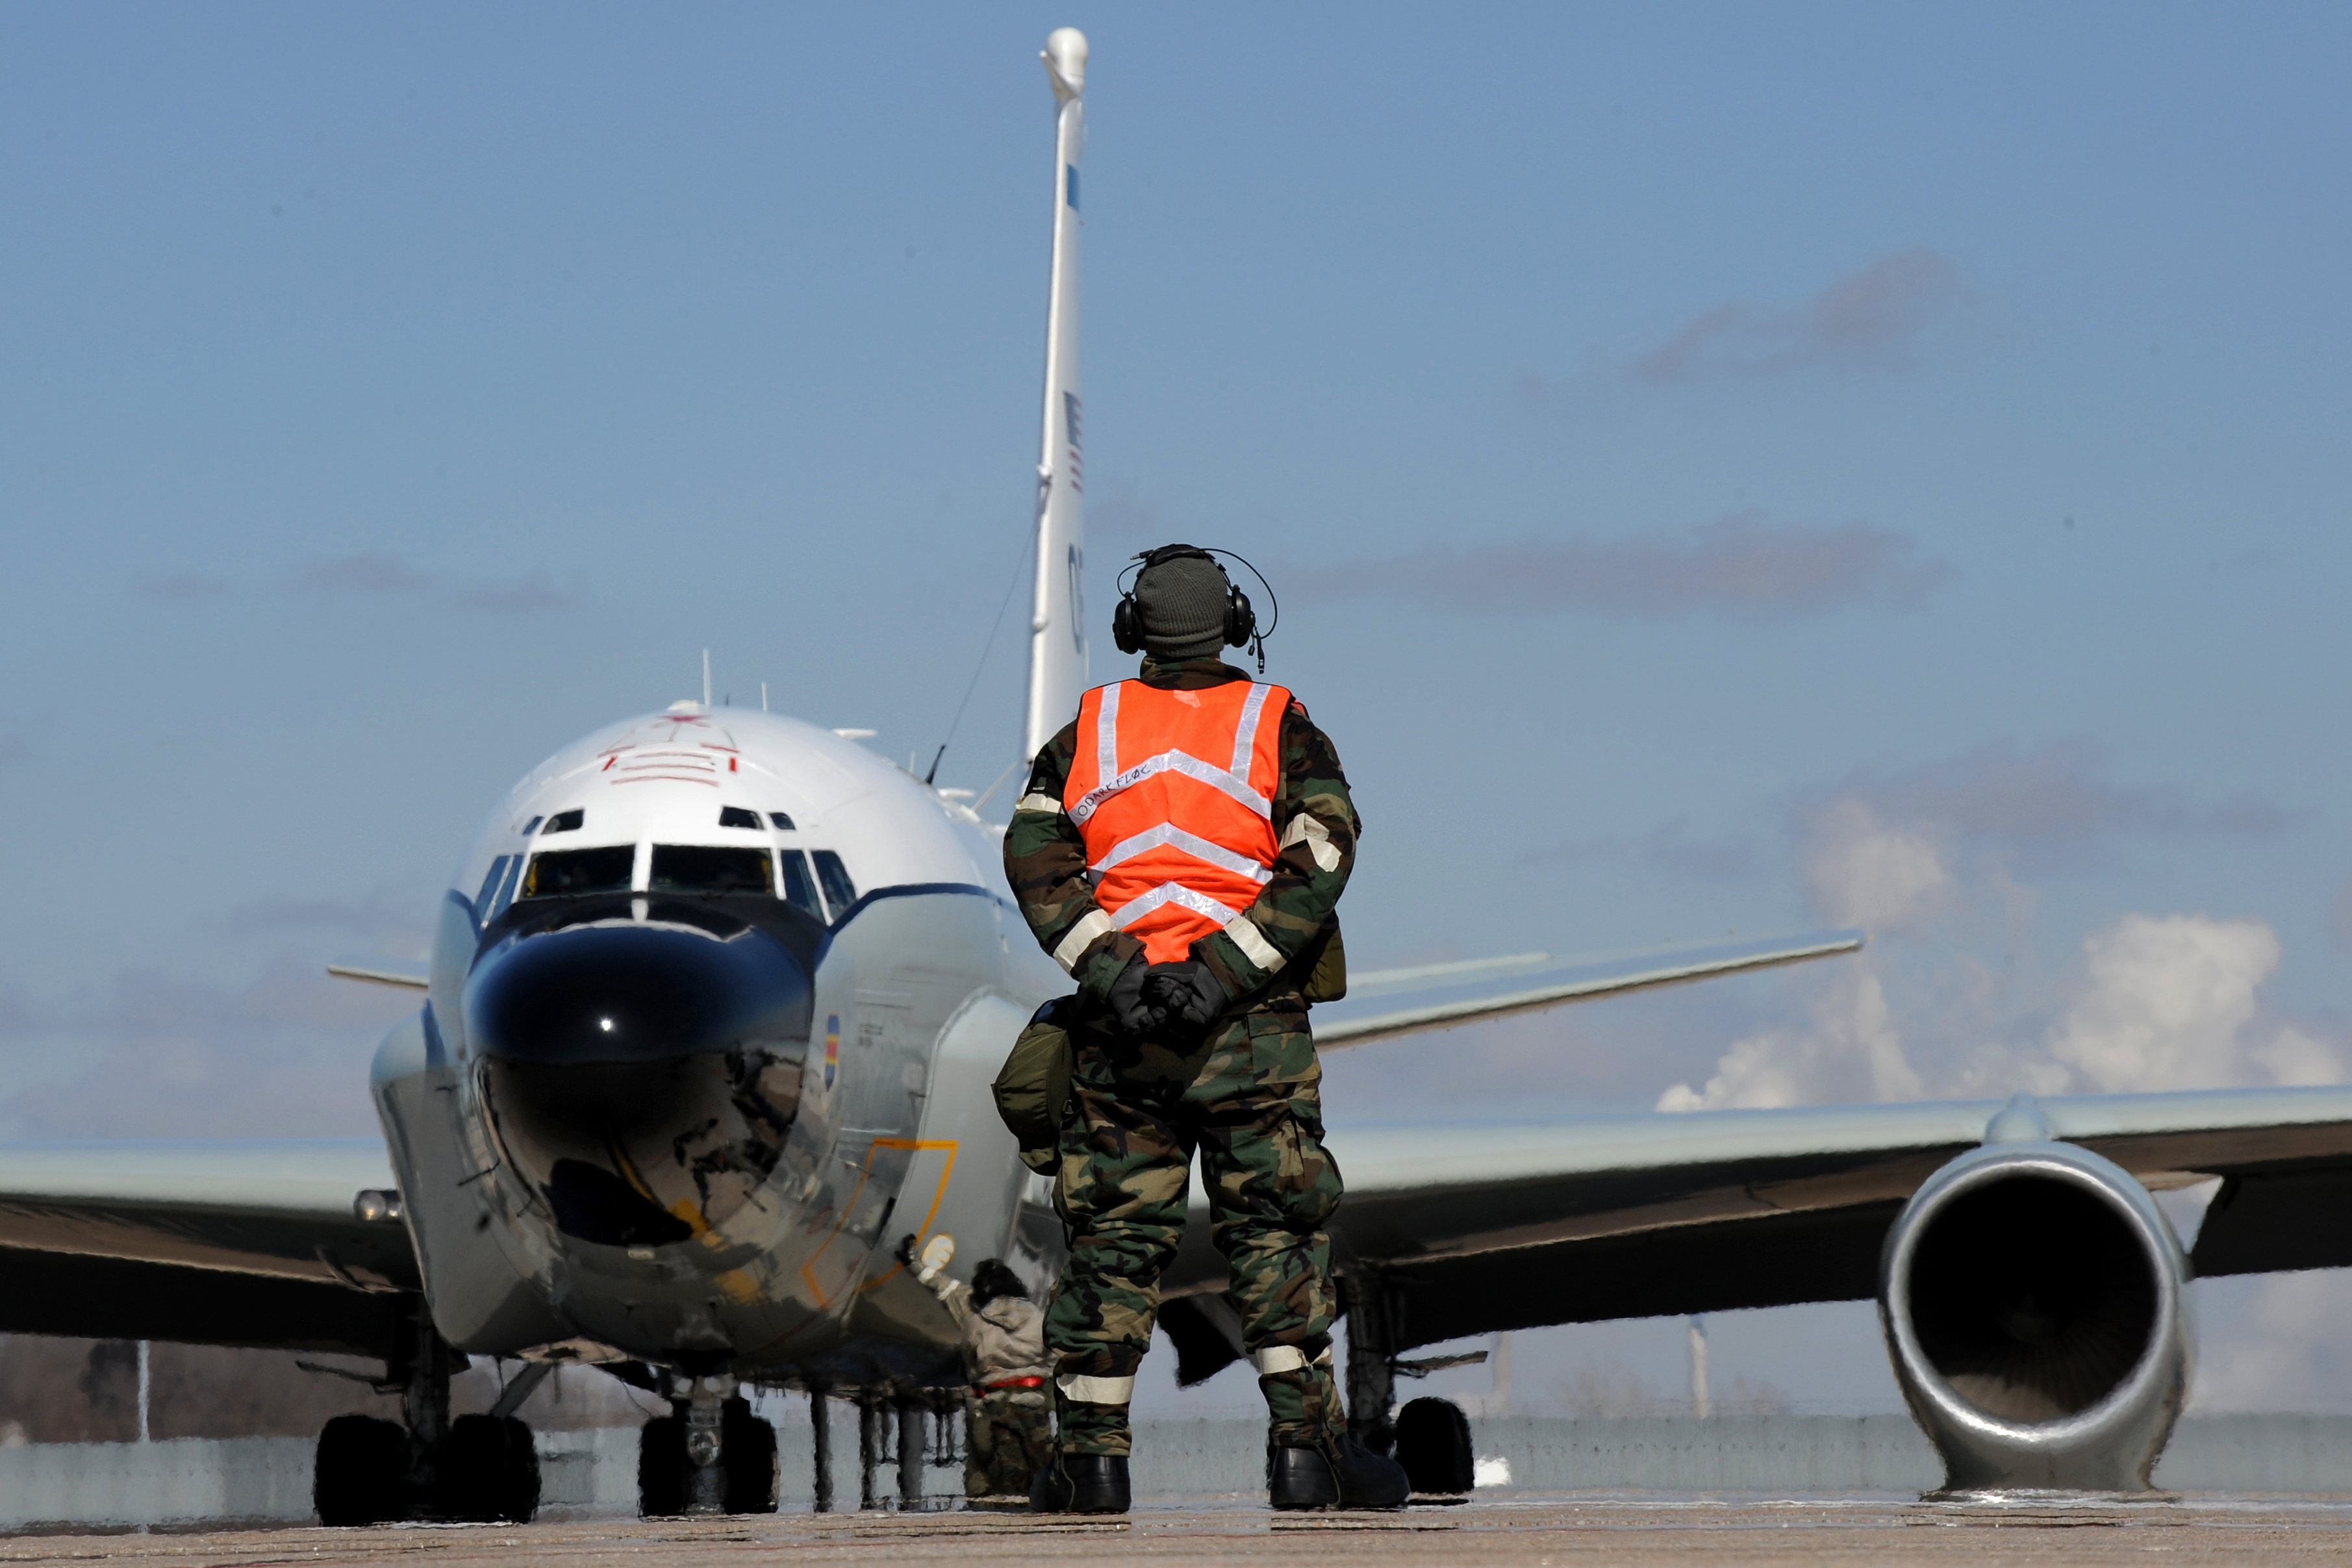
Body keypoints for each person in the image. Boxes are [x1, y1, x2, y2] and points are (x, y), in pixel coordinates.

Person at [1003, 544, 1410, 1513]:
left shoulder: (1085, 731)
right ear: (1232, 620)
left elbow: (1034, 856)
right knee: (1276, 1233)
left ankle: (1092, 1464)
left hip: (1121, 1031)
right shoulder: (1281, 725)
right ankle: (1306, 1457)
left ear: (1132, 631)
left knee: (1113, 1241)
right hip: (1252, 1030)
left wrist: (1120, 970)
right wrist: (1224, 969)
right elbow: (1323, 848)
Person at [900, 1233, 1054, 1503]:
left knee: (994, 1468)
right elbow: (1055, 1356)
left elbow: (941, 1286)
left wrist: (911, 1261)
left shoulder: (973, 1313)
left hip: (991, 1401)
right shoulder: (1038, 1314)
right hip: (1034, 1398)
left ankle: (996, 1512)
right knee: (1043, 1464)